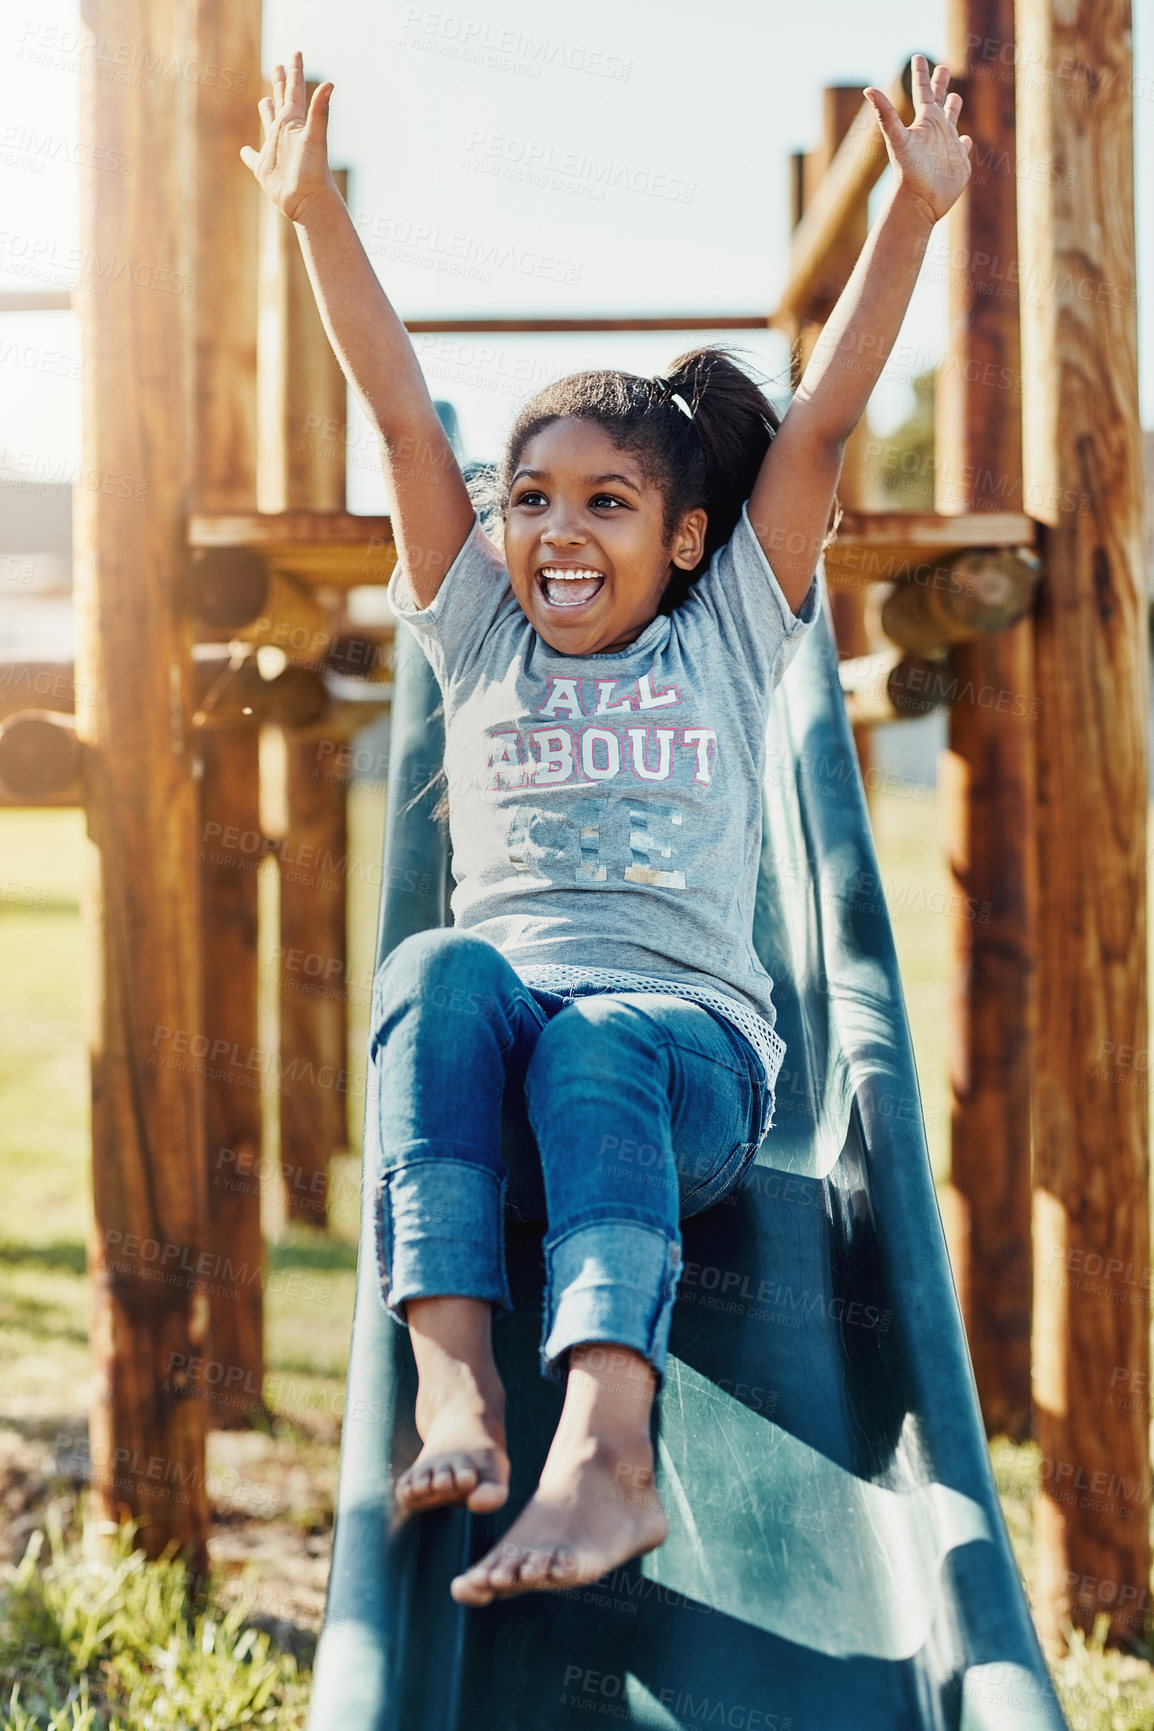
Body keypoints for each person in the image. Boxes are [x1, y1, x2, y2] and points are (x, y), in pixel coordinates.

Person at [241, 50, 971, 1608]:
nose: (556, 532)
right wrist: (307, 210)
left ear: (686, 536)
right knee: (440, 965)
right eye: (530, 500)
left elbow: (824, 430)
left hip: (679, 1076)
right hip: (496, 1076)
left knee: (602, 1041)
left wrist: (909, 216)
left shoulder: (722, 640)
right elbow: (391, 404)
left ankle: (607, 1447)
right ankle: (454, 1379)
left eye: (605, 504)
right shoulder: (480, 635)